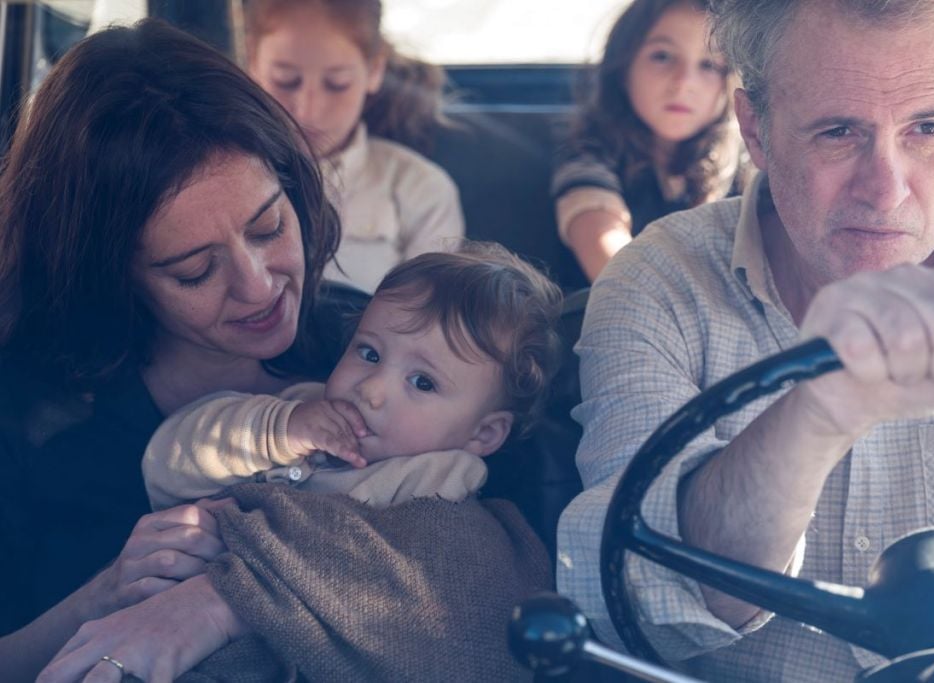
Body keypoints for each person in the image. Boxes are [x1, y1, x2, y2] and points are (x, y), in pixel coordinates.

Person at [0, 20, 546, 683]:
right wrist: (102, 596)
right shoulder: (34, 420)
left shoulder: (364, 334)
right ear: (111, 276)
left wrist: (224, 598)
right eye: (193, 271)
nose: (260, 285)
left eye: (269, 226)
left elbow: (507, 567)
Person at [557, 0, 934, 680]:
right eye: (839, 131)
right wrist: (820, 412)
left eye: (928, 127)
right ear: (756, 128)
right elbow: (636, 594)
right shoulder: (662, 281)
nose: (886, 191)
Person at [142, 245, 563, 513]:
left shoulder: (438, 484)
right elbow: (162, 470)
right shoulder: (296, 409)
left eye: (422, 383)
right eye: (369, 353)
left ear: (483, 434)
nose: (372, 388)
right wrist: (277, 432)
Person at [245, 0, 465, 293]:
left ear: (374, 69)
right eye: (286, 81)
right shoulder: (219, 175)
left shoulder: (422, 191)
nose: (309, 110)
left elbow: (425, 329)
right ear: (251, 59)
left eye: (337, 84)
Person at [551, 0, 746, 282]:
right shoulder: (588, 150)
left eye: (709, 64)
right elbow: (614, 265)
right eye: (662, 56)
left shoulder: (746, 161)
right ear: (623, 67)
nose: (683, 83)